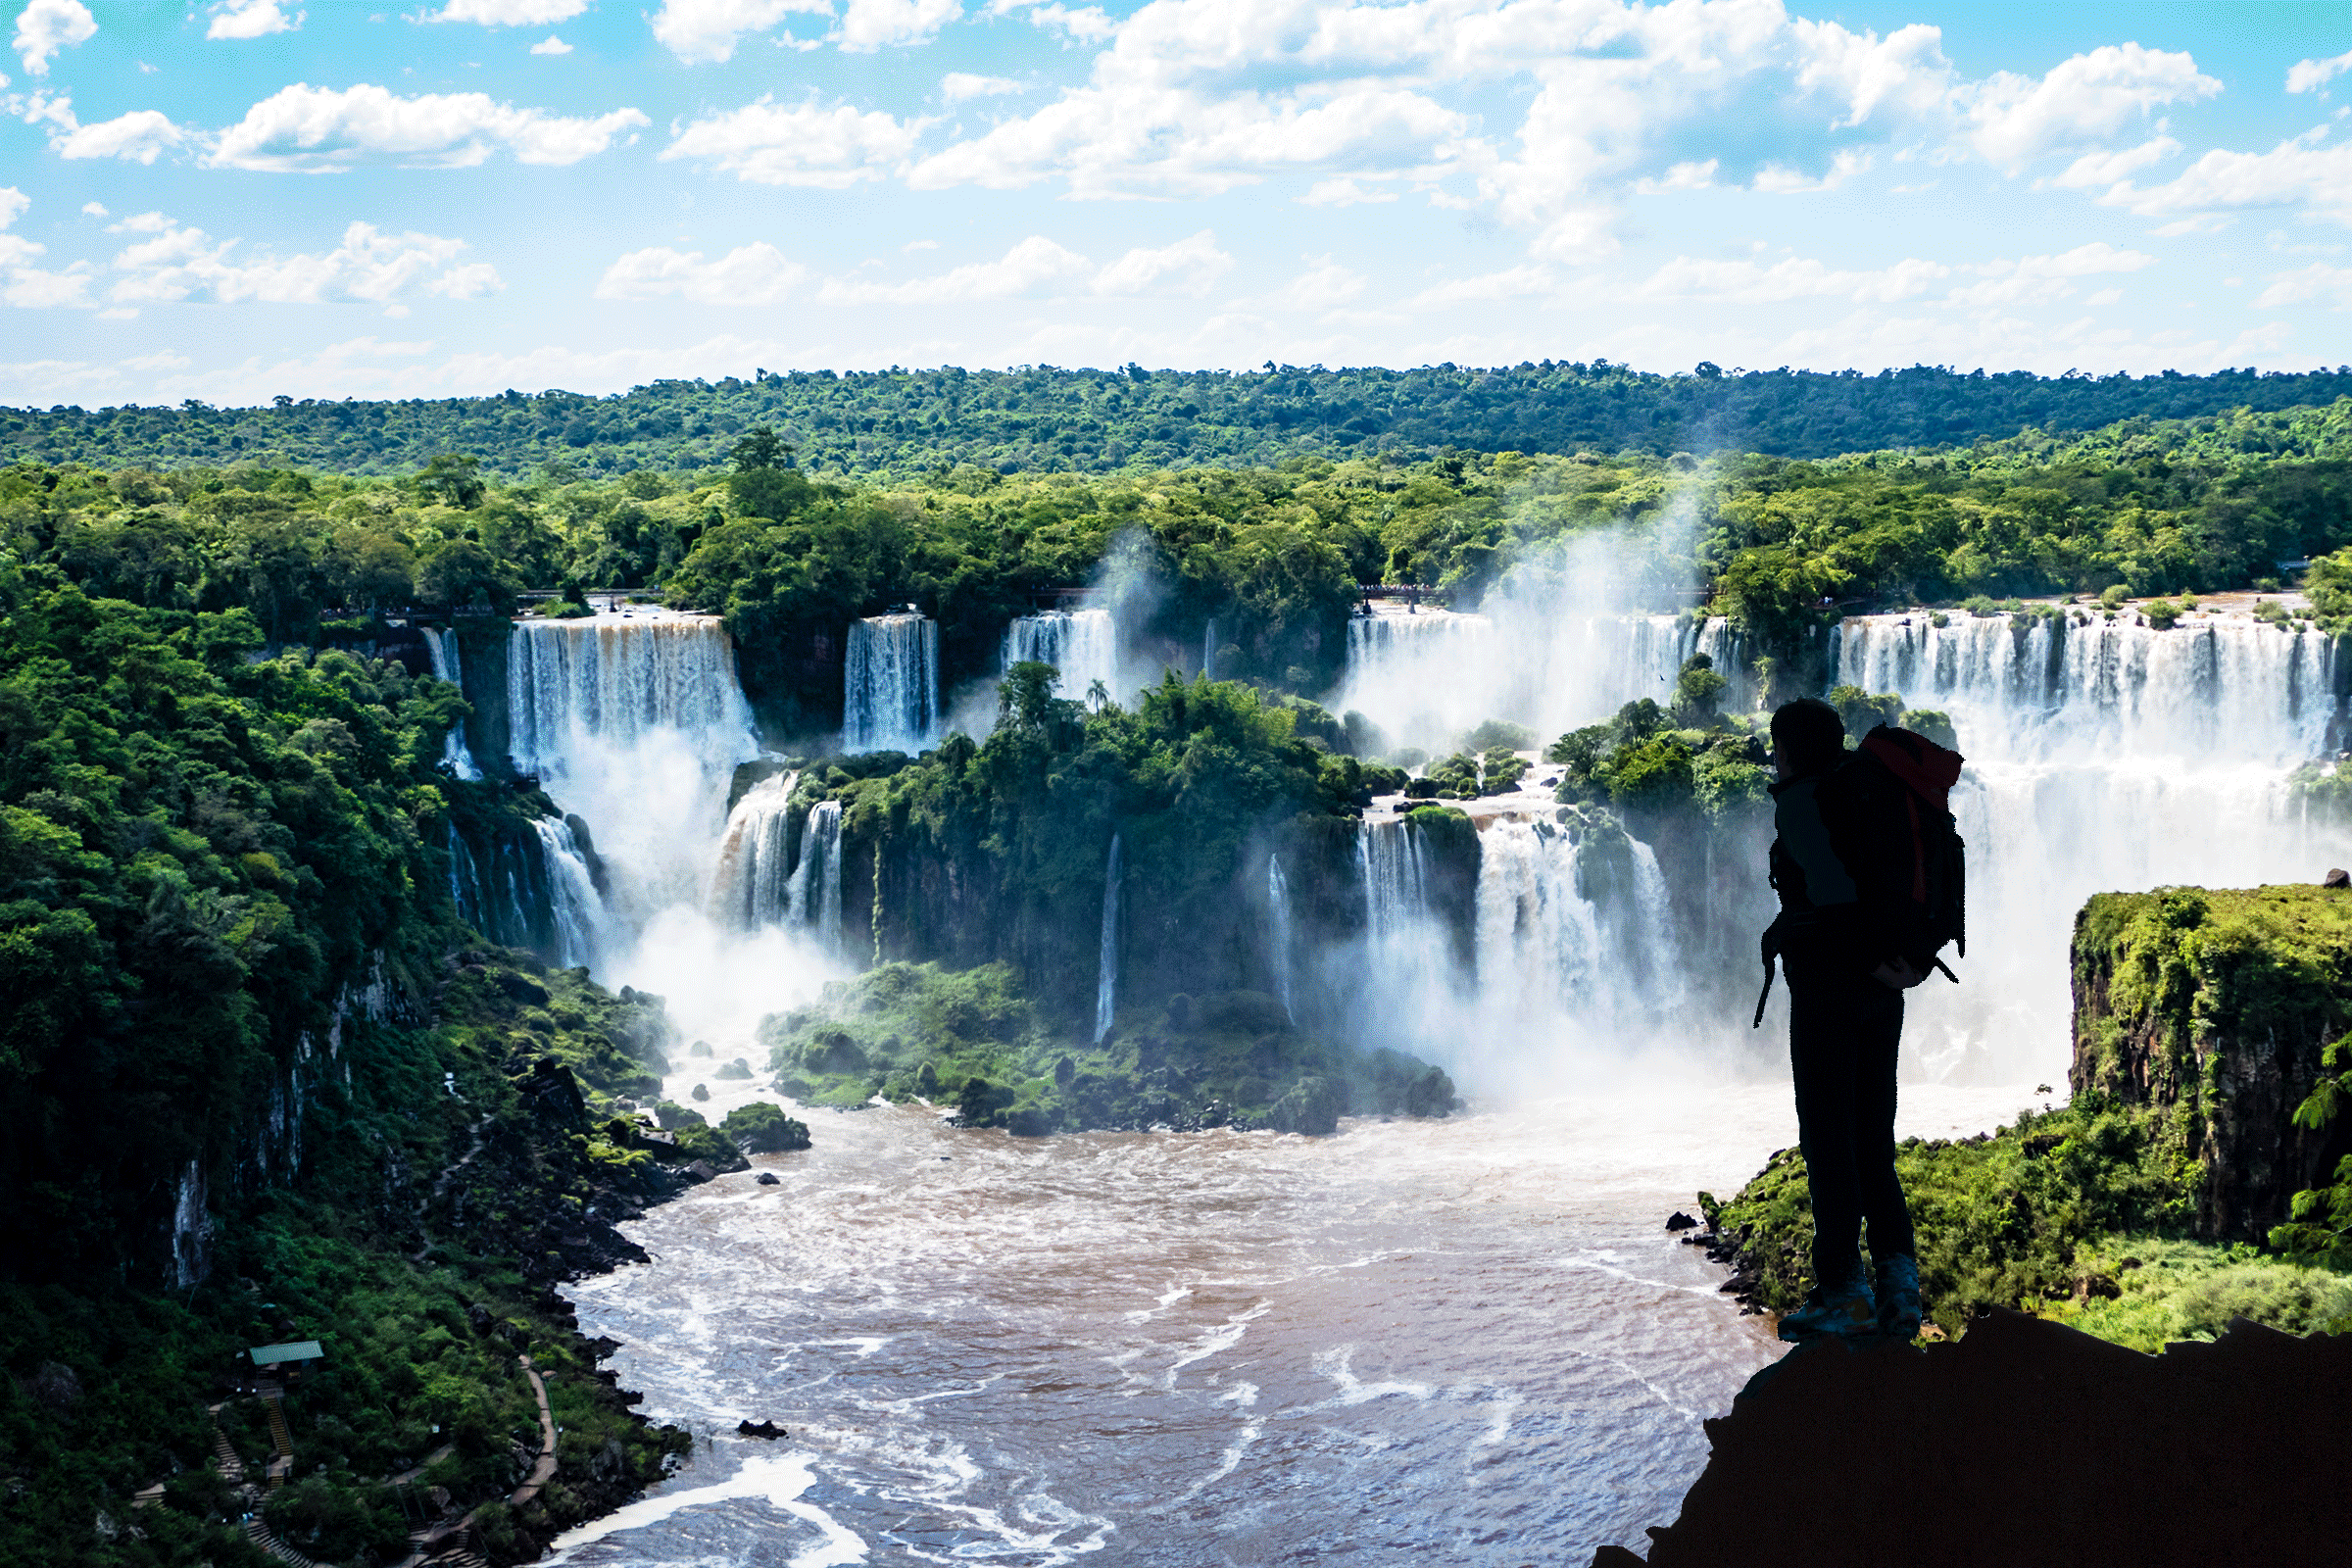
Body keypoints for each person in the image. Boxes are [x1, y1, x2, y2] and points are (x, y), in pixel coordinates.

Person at [1760, 696, 1945, 1343]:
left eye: (1776, 747)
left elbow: (1834, 896)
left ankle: (1843, 1290)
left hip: (1832, 990)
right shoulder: (1872, 797)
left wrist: (1862, 962)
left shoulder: (1805, 801)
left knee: (1828, 1138)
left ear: (1789, 749)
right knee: (1873, 1138)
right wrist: (1902, 966)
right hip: (1883, 991)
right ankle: (1900, 1286)